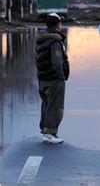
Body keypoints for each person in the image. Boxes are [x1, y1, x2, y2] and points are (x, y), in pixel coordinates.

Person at [35, 13, 70, 144]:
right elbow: (57, 62)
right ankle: (49, 133)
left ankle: (45, 131)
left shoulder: (41, 39)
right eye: (60, 23)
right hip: (54, 80)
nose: (61, 26)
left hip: (42, 79)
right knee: (55, 107)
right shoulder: (55, 41)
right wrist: (61, 77)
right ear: (57, 25)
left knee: (46, 105)